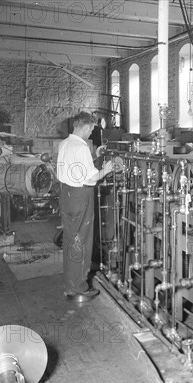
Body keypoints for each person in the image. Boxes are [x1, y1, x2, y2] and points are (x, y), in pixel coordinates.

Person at [57, 112, 113, 302]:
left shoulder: (65, 144)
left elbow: (77, 168)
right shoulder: (80, 147)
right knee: (82, 241)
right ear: (85, 127)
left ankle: (69, 284)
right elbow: (89, 178)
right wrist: (106, 170)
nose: (91, 133)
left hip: (66, 194)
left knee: (71, 239)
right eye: (91, 129)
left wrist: (94, 157)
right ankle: (79, 287)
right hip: (81, 196)